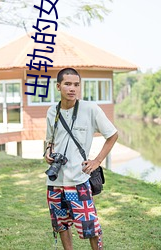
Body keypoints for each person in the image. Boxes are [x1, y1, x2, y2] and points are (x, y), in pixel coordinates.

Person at [44, 68, 118, 250]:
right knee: (61, 224)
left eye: (76, 84)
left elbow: (113, 135)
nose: (72, 89)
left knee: (91, 227)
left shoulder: (90, 109)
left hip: (79, 180)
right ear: (58, 86)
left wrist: (97, 161)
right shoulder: (52, 112)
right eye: (68, 84)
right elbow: (49, 140)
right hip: (55, 181)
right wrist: (47, 152)